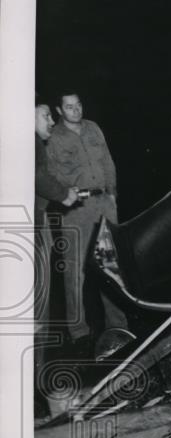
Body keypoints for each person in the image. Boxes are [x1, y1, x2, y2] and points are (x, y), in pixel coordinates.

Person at [45, 92, 128, 344]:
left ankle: (118, 325)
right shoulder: (54, 137)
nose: (76, 110)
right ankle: (78, 332)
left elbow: (108, 162)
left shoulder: (93, 128)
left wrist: (112, 193)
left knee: (110, 264)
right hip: (76, 208)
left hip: (104, 203)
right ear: (59, 110)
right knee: (76, 270)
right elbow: (51, 175)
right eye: (69, 107)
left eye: (78, 104)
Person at [34, 98, 78, 328]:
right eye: (46, 116)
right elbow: (37, 177)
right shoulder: (30, 142)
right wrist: (64, 194)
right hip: (33, 224)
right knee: (37, 290)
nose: (52, 121)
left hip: (39, 221)